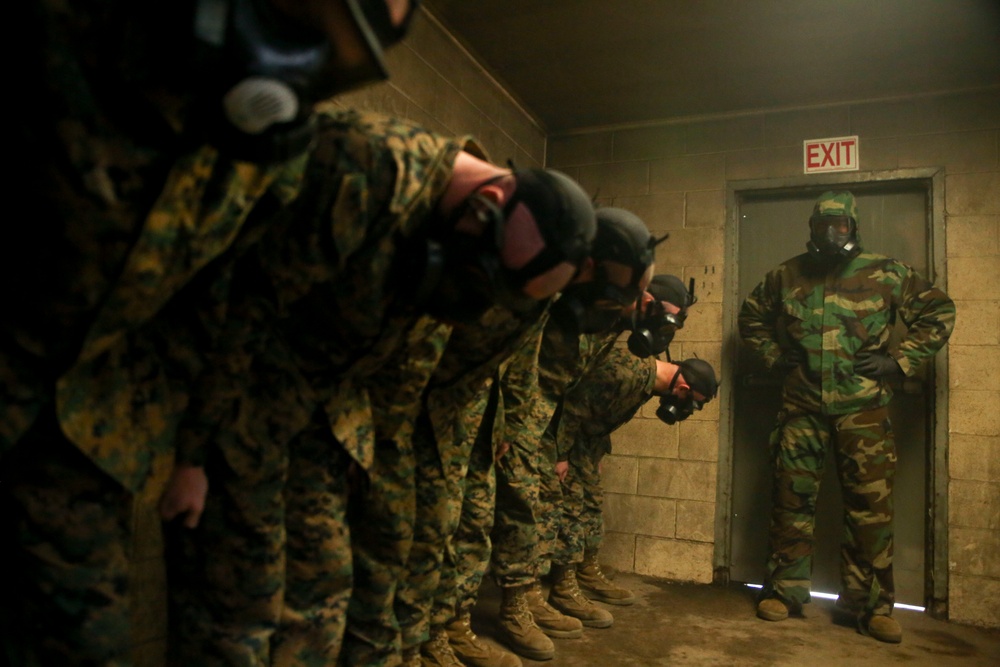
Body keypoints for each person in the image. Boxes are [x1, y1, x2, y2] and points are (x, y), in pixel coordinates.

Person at [2, 2, 419, 665]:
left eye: (331, 54)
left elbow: (211, 300)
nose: (295, 60)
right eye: (303, 18)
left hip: (76, 431)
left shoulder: (254, 147)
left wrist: (189, 453)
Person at [158, 107, 596, 666]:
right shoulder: (361, 167)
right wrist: (191, 454)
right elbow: (242, 309)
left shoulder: (446, 227)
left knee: (322, 597)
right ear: (485, 209)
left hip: (323, 421)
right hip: (236, 406)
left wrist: (366, 448)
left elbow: (396, 367)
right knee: (237, 612)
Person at [738, 191, 955, 644]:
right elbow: (753, 318)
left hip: (864, 413)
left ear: (853, 228)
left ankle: (870, 606)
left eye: (840, 225)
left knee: (870, 512)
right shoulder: (787, 274)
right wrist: (775, 358)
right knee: (790, 502)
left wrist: (899, 362)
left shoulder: (886, 273)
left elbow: (938, 311)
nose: (831, 233)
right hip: (802, 410)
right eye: (823, 225)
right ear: (812, 227)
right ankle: (784, 591)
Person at [484, 207, 661, 661]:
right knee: (509, 512)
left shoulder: (601, 321)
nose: (633, 305)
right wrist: (510, 424)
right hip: (501, 418)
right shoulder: (543, 291)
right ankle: (508, 607)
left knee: (530, 510)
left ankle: (530, 599)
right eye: (634, 294)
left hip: (535, 422)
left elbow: (560, 383)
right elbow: (517, 365)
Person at [558, 275, 712, 607]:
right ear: (683, 390)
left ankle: (587, 572)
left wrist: (596, 452)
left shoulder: (647, 384)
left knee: (590, 505)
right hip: (563, 440)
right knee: (569, 510)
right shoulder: (627, 372)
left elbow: (600, 418)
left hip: (586, 444)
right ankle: (563, 583)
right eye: (689, 402)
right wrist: (560, 454)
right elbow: (572, 408)